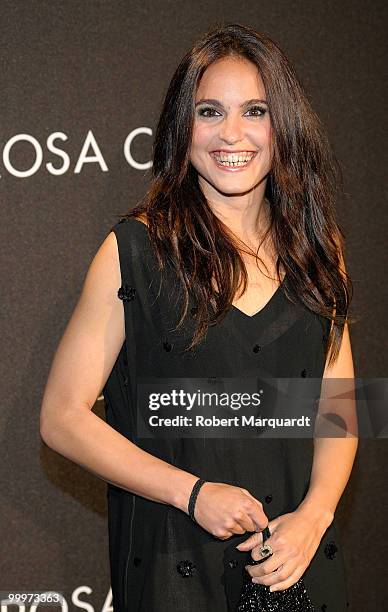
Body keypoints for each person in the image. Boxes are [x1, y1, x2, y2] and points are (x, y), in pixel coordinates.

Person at [40, 23, 358, 612]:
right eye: (210, 111)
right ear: (181, 128)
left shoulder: (319, 246)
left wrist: (315, 515)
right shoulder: (133, 250)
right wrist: (192, 495)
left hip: (298, 557)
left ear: (283, 124)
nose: (231, 134)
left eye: (255, 111)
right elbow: (61, 418)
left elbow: (338, 404)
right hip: (175, 562)